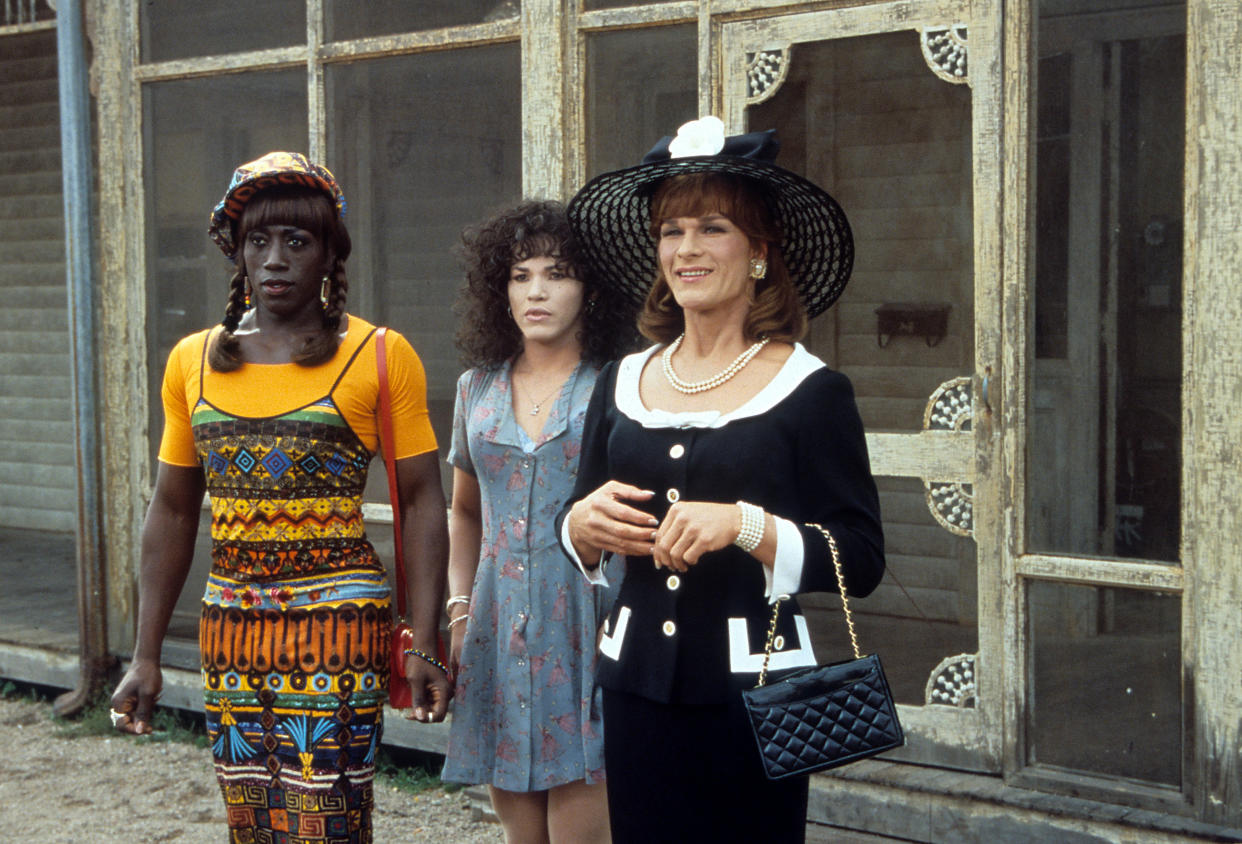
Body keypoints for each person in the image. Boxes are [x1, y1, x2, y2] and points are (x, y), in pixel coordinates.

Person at [558, 117, 886, 843]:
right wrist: (579, 529)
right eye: (671, 231)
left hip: (757, 699)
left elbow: (861, 557)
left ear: (761, 252)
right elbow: (576, 515)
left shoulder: (812, 390)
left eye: (712, 229)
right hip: (636, 684)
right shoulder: (623, 380)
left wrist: (747, 526)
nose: (687, 250)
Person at [108, 152, 451, 844]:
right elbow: (173, 511)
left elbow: (421, 500)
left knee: (328, 822)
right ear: (236, 253)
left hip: (339, 624)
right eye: (258, 241)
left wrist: (426, 636)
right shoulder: (192, 362)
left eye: (297, 241)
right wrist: (144, 653)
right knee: (252, 822)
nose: (275, 259)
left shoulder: (379, 355)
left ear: (330, 254)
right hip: (230, 627)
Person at [441, 200, 632, 843]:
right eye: (521, 276)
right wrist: (461, 611)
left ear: (592, 287)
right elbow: (466, 510)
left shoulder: (620, 386)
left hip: (588, 628)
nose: (538, 291)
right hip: (498, 631)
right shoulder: (476, 387)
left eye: (558, 273)